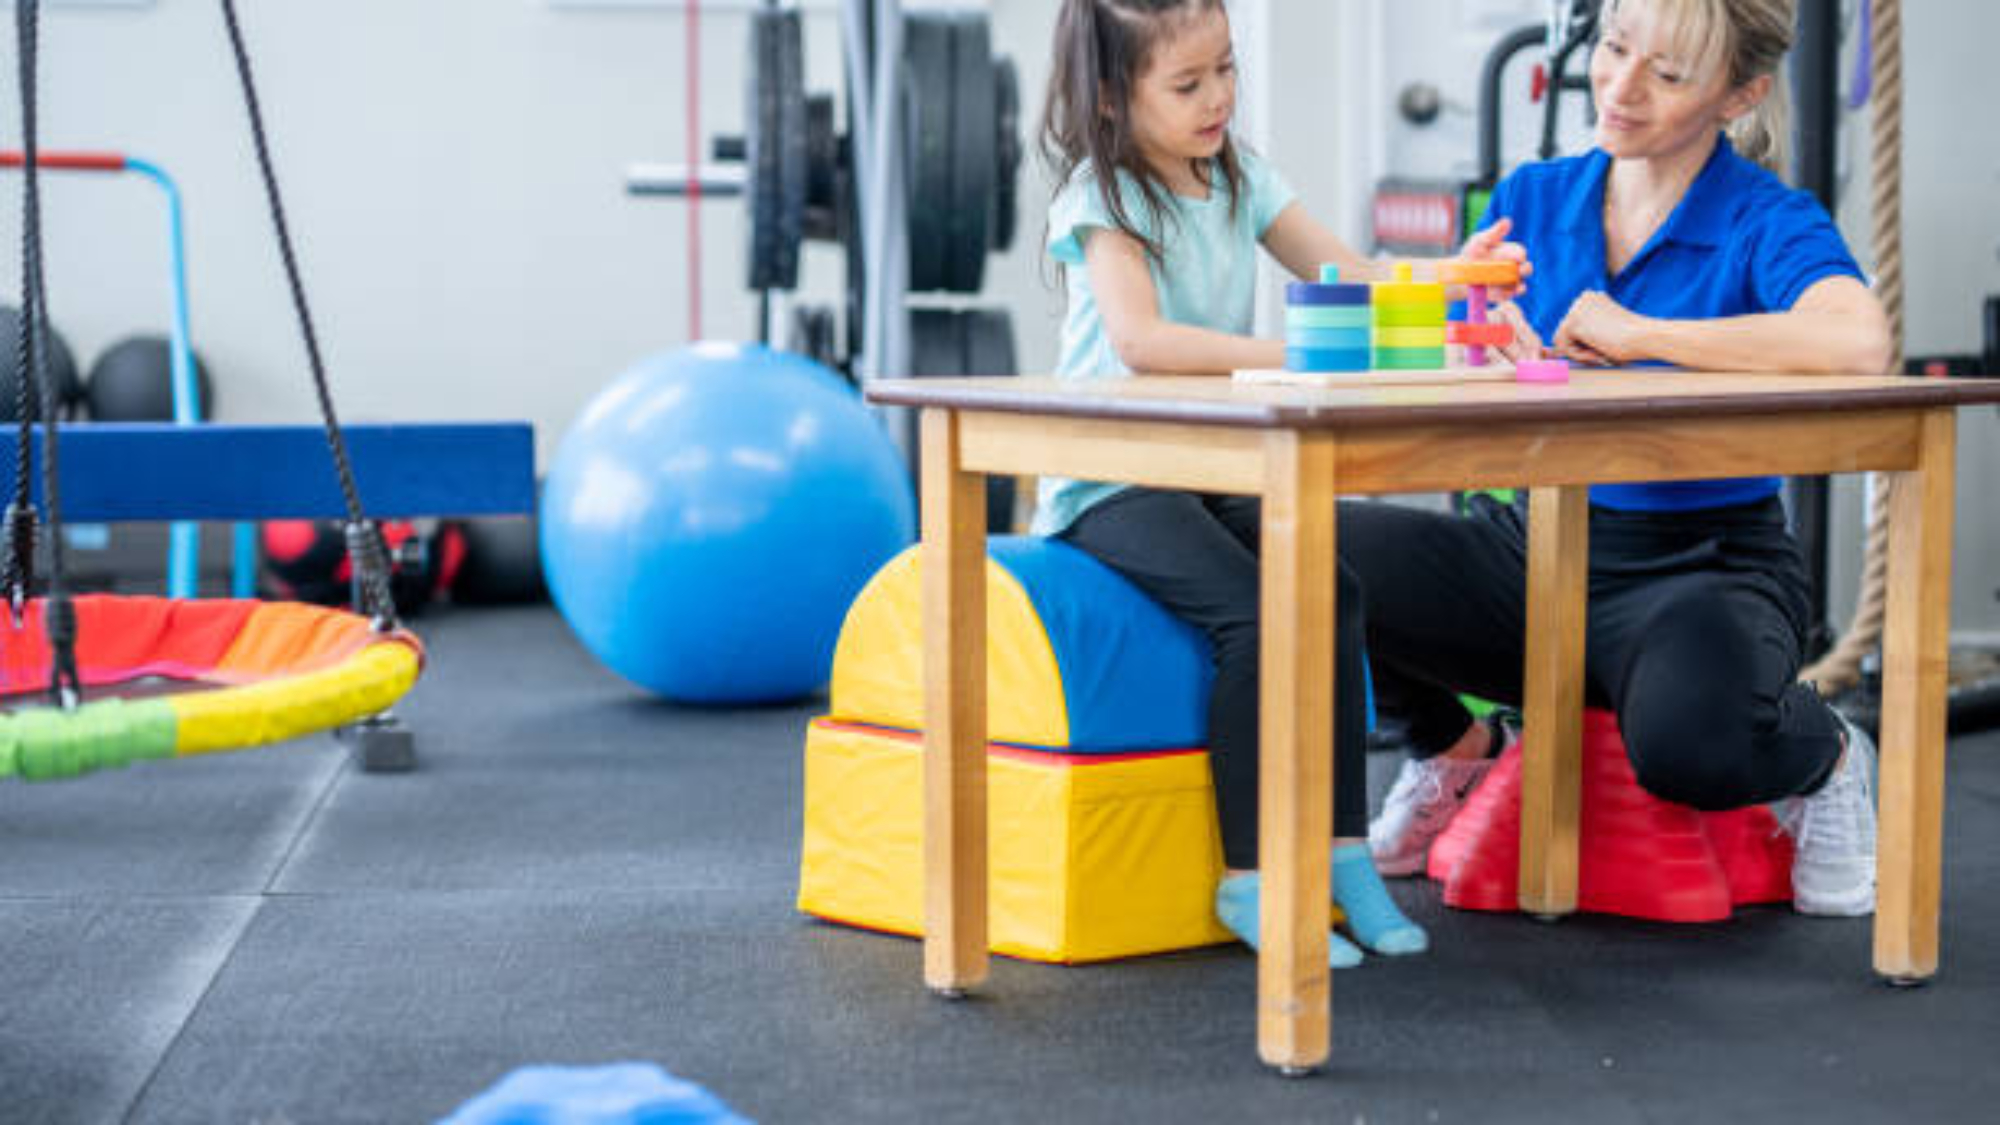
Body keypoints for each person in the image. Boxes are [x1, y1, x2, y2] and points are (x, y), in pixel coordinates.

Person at [1349, 0, 1893, 917]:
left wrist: (1645, 333)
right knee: (1296, 547)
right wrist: (1461, 330)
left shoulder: (1765, 218)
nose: (1621, 86)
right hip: (1535, 548)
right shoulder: (1535, 195)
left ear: (1739, 94)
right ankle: (1451, 749)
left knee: (1692, 747)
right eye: (1613, 48)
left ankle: (1827, 754)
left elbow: (1858, 342)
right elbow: (1458, 351)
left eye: (1669, 73)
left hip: (1701, 566)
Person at [1034, 0, 1524, 965]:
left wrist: (1443, 277)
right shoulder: (1103, 197)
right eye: (1187, 84)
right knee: (1256, 615)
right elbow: (1141, 342)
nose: (1217, 98)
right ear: (1108, 96)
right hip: (1113, 478)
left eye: (1225, 71)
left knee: (1333, 589)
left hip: (1209, 462)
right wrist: (1291, 353)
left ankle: (1343, 857)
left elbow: (1347, 273)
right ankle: (1253, 877)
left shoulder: (1239, 176)